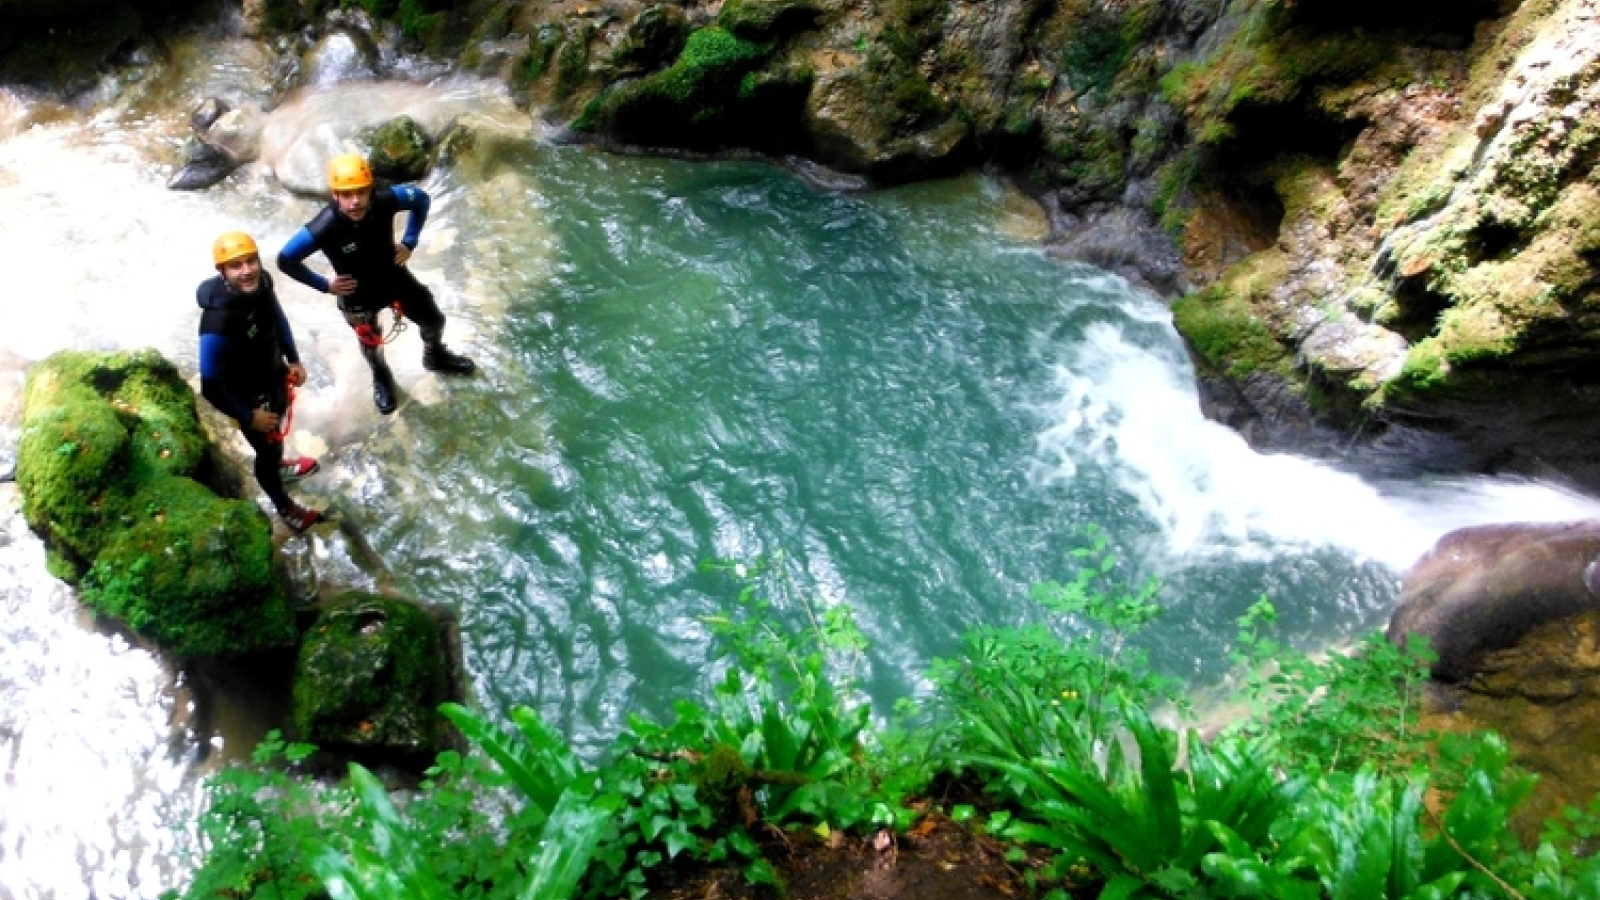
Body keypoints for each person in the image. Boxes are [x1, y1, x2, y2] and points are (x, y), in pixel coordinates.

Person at [276, 153, 475, 415]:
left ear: (370, 189)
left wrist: (409, 241)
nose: (355, 201)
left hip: (393, 277)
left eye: (361, 192)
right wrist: (325, 285)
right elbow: (285, 259)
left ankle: (435, 355)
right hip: (357, 294)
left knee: (434, 320)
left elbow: (421, 199)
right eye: (346, 195)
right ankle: (381, 377)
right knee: (372, 343)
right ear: (335, 195)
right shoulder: (325, 225)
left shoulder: (385, 200)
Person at [198, 231, 327, 533]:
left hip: (272, 375)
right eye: (236, 266)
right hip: (248, 396)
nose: (246, 271)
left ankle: (279, 464)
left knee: (275, 441)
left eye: (251, 261)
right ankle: (284, 506)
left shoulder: (263, 282)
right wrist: (247, 416)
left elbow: (277, 319)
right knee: (266, 452)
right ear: (223, 273)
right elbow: (211, 385)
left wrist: (292, 360)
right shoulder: (217, 322)